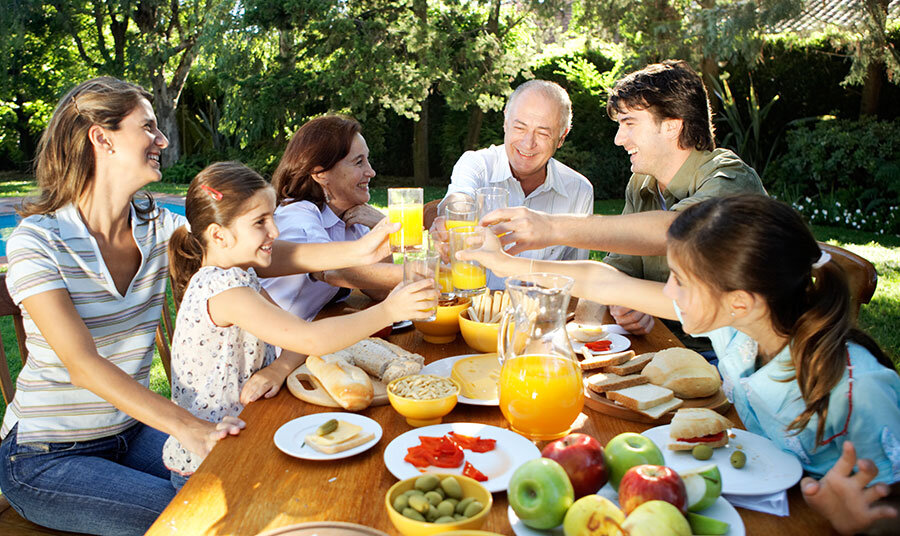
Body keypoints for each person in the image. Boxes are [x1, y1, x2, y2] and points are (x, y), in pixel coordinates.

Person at [0, 77, 400, 535]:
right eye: (148, 127)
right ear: (101, 137)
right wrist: (189, 428)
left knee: (267, 478)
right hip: (45, 455)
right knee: (209, 521)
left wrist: (359, 250)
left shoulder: (154, 226)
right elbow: (82, 365)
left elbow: (249, 251)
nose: (162, 139)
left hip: (131, 430)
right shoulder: (39, 240)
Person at [460, 193, 899, 535]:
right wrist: (506, 263)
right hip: (750, 502)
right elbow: (606, 281)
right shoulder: (738, 326)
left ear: (740, 300)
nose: (668, 291)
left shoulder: (860, 392)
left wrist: (866, 523)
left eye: (681, 281)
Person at [164, 162, 436, 489]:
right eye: (260, 223)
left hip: (246, 432)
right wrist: (390, 310)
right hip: (210, 467)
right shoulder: (224, 290)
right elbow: (310, 338)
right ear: (219, 235)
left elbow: (295, 332)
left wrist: (279, 368)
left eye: (272, 218)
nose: (275, 233)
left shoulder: (241, 274)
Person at [479, 60, 765, 343]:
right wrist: (613, 313)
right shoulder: (641, 183)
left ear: (671, 126)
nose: (618, 139)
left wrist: (550, 227)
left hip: (730, 358)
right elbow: (615, 272)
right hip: (660, 344)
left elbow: (676, 230)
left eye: (629, 123)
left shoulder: (730, 176)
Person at [430, 79, 594, 289]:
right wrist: (454, 213)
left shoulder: (580, 191)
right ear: (506, 120)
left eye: (543, 133)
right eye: (520, 127)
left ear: (562, 138)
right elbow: (460, 198)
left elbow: (577, 279)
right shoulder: (477, 165)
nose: (528, 143)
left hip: (538, 317)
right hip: (472, 314)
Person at [261, 115, 401, 321]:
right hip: (270, 346)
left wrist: (378, 226)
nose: (371, 171)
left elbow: (379, 291)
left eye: (367, 160)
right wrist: (427, 273)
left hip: (303, 338)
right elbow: (332, 271)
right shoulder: (297, 215)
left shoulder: (351, 216)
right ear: (320, 173)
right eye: (358, 162)